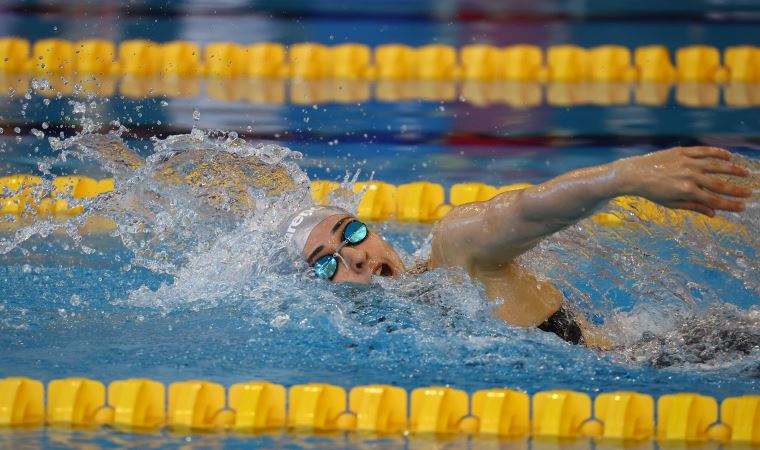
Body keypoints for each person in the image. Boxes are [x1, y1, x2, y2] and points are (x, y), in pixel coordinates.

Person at [283, 146, 754, 345]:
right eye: (327, 264)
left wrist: (625, 176)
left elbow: (523, 209)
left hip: (696, 353)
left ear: (377, 232)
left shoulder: (455, 255)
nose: (357, 255)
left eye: (354, 232)